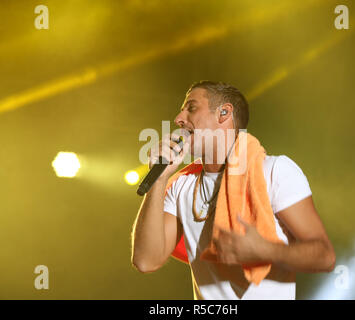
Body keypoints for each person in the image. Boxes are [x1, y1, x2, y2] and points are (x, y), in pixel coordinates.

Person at [131, 80, 336, 300]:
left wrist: (266, 250)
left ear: (224, 113)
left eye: (191, 108)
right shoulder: (180, 186)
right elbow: (146, 261)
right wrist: (159, 179)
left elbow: (324, 256)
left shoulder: (273, 171)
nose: (178, 119)